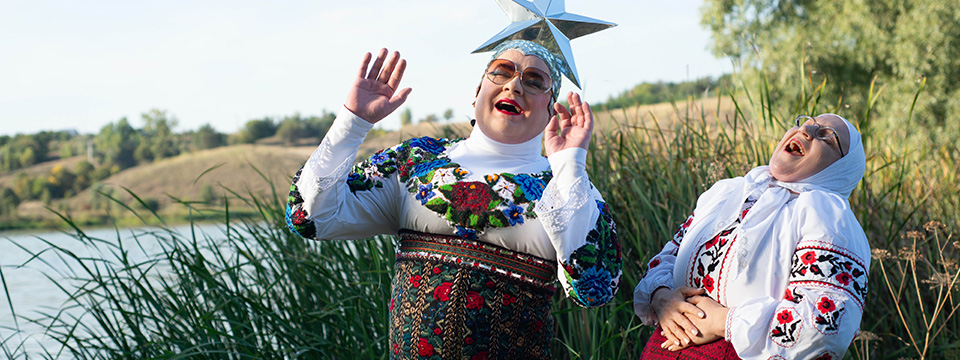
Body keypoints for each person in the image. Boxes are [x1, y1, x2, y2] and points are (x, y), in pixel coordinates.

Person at [285, 41, 621, 359]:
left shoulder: (564, 187)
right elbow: (309, 217)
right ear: (477, 93)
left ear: (551, 110)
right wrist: (352, 122)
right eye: (501, 71)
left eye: (534, 81)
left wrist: (569, 164)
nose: (514, 87)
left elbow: (594, 288)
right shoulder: (415, 161)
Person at [633, 114, 869, 359]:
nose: (807, 130)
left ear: (841, 168)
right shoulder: (729, 193)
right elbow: (670, 254)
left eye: (827, 136)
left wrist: (724, 322)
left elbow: (825, 324)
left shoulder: (827, 215)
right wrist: (661, 297)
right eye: (805, 122)